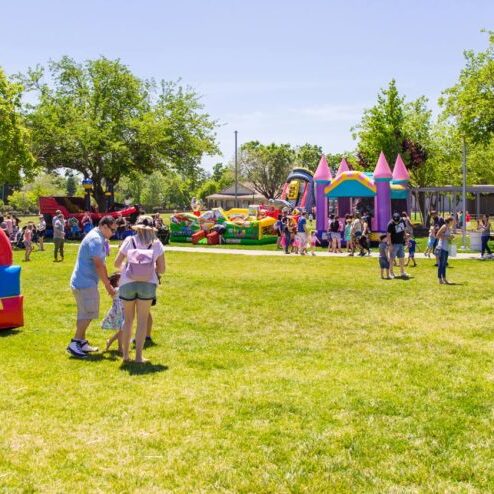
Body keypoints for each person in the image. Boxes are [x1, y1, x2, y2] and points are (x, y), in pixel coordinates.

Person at [114, 215, 165, 363]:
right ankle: (138, 357)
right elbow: (162, 269)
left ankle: (125, 356)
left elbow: (117, 264)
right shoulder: (156, 244)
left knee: (128, 320)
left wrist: (129, 269)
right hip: (147, 284)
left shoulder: (129, 241)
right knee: (142, 321)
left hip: (127, 283)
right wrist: (149, 268)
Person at [67, 216, 117, 358]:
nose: (113, 233)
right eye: (112, 230)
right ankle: (75, 342)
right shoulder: (96, 239)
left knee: (84, 312)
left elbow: (101, 263)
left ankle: (81, 342)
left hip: (82, 282)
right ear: (104, 227)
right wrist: (108, 286)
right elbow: (99, 264)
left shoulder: (97, 237)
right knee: (89, 313)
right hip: (85, 283)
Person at [102, 273, 124, 353]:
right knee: (123, 330)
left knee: (122, 330)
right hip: (119, 312)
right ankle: (113, 342)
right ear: (117, 282)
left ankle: (119, 347)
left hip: (122, 311)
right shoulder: (118, 289)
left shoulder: (118, 289)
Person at [387, 212, 409, 279]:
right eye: (395, 221)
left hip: (401, 243)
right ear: (393, 219)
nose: (396, 222)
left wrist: (406, 239)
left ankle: (402, 272)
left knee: (402, 257)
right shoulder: (390, 224)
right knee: (392, 259)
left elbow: (404, 230)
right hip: (394, 244)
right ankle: (391, 272)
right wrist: (390, 245)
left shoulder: (402, 220)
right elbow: (388, 235)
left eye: (397, 221)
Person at [436, 216, 455, 284]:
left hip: (446, 248)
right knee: (441, 264)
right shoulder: (444, 226)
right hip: (442, 248)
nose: (453, 222)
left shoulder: (449, 228)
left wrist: (451, 237)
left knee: (444, 265)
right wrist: (448, 237)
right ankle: (440, 279)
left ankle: (444, 279)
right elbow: (437, 235)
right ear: (449, 221)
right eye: (452, 221)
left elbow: (447, 237)